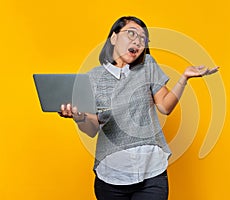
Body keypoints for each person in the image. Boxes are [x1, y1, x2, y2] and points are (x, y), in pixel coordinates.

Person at [59, 16, 218, 200]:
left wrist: (184, 78)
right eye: (131, 34)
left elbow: (165, 107)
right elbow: (92, 128)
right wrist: (79, 117)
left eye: (143, 39)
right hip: (111, 175)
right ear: (113, 38)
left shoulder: (147, 66)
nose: (137, 41)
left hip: (151, 171)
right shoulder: (93, 78)